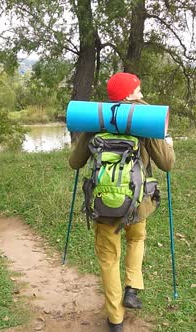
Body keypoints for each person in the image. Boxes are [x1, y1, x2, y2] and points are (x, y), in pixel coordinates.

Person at [68, 72, 175, 332]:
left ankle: (115, 320)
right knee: (136, 239)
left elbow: (75, 162)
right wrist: (166, 142)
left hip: (104, 205)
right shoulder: (143, 121)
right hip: (137, 205)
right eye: (138, 90)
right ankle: (133, 287)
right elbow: (167, 164)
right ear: (129, 94)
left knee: (108, 258)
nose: (141, 93)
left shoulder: (99, 119)